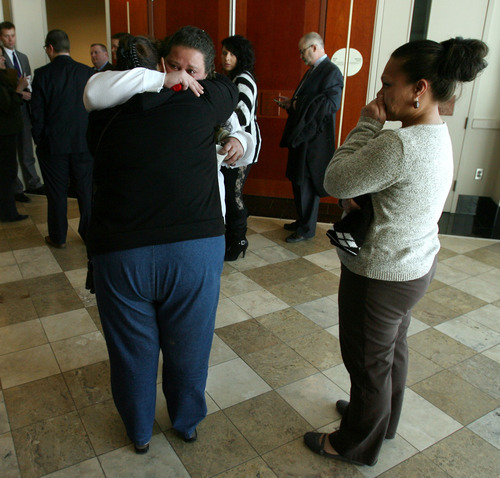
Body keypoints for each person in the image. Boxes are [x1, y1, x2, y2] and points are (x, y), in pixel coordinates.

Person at [303, 37, 488, 466]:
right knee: (390, 353)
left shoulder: (398, 142)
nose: (381, 94)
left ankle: (353, 444)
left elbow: (335, 179)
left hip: (380, 275)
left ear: (419, 88)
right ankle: (382, 421)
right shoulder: (435, 131)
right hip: (414, 266)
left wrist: (368, 123)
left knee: (368, 364)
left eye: (388, 84)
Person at [86, 28, 238, 454]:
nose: (183, 76)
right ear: (161, 66)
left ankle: (139, 432)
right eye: (177, 67)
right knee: (188, 344)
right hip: (191, 245)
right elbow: (231, 87)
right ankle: (185, 423)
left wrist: (160, 79)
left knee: (133, 353)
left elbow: (95, 95)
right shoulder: (207, 100)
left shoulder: (106, 111)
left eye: (191, 70)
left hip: (120, 249)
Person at [278, 32, 343, 243]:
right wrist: (292, 103)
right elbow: (311, 101)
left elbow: (331, 105)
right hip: (303, 136)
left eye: (302, 51)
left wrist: (299, 104)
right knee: (298, 181)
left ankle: (306, 229)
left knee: (307, 183)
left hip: (314, 141)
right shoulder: (314, 70)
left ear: (314, 48)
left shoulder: (331, 71)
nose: (300, 56)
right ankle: (302, 220)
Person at [30, 29, 93, 248]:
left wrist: (39, 140)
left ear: (50, 48)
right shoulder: (86, 72)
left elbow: (37, 113)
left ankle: (58, 237)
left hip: (53, 145)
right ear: (68, 47)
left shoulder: (42, 74)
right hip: (83, 143)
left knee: (56, 194)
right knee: (86, 191)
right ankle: (89, 234)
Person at [218, 35, 261, 261]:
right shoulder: (234, 78)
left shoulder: (243, 78)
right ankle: (234, 239)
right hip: (238, 142)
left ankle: (238, 240)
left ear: (241, 56)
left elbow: (243, 114)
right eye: (224, 52)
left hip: (242, 144)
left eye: (232, 53)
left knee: (233, 194)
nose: (226, 57)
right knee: (230, 192)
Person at [0, 21, 44, 202]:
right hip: (9, 110)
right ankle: (17, 188)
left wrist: (29, 94)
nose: (11, 39)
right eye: (7, 36)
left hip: (25, 109)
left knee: (27, 149)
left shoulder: (23, 57)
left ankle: (34, 183)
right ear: (1, 38)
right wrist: (19, 92)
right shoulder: (2, 59)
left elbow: (28, 80)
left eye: (13, 35)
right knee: (11, 154)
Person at [0, 46, 28, 222]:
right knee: (7, 173)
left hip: (9, 132)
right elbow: (6, 106)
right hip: (4, 134)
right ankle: (8, 213)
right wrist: (19, 88)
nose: (3, 58)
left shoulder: (5, 77)